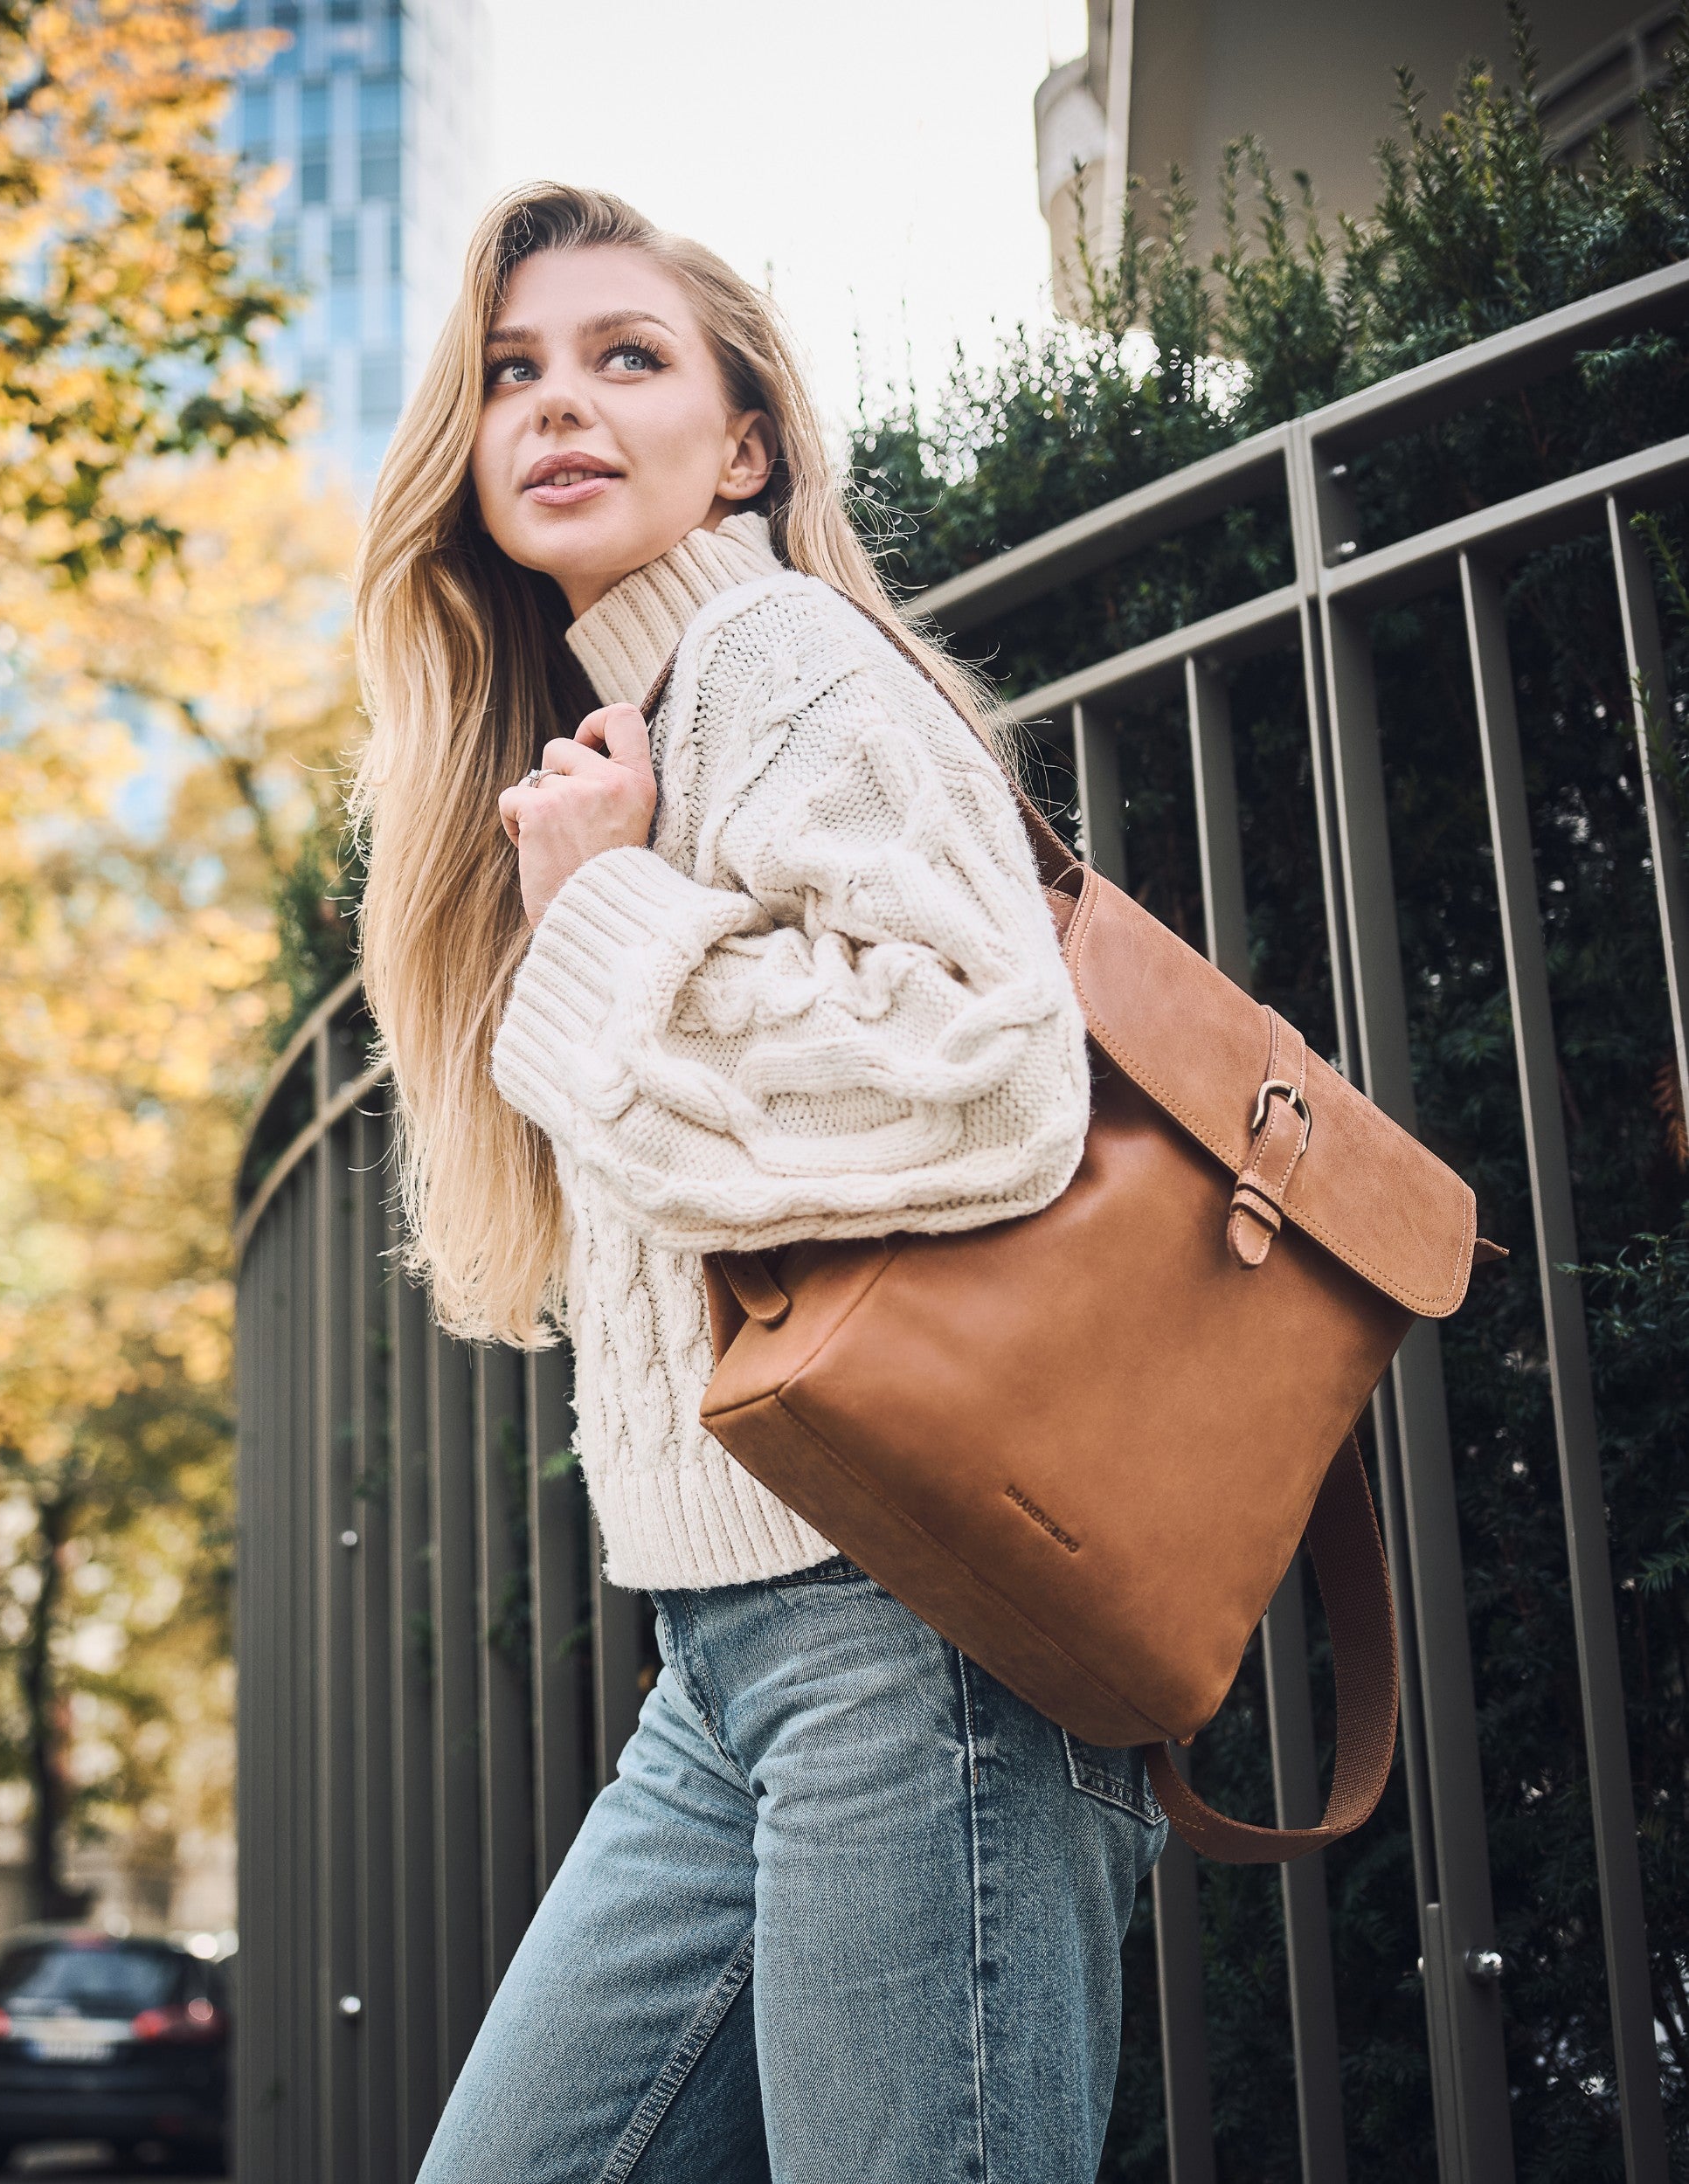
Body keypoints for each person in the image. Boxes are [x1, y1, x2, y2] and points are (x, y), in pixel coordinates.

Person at [351, 181, 1165, 2184]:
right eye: (509, 372)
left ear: (742, 448)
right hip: (721, 1668)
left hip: (913, 1633)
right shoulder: (609, 735)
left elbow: (986, 1065)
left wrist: (605, 913)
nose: (557, 401)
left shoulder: (778, 655)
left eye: (626, 357)